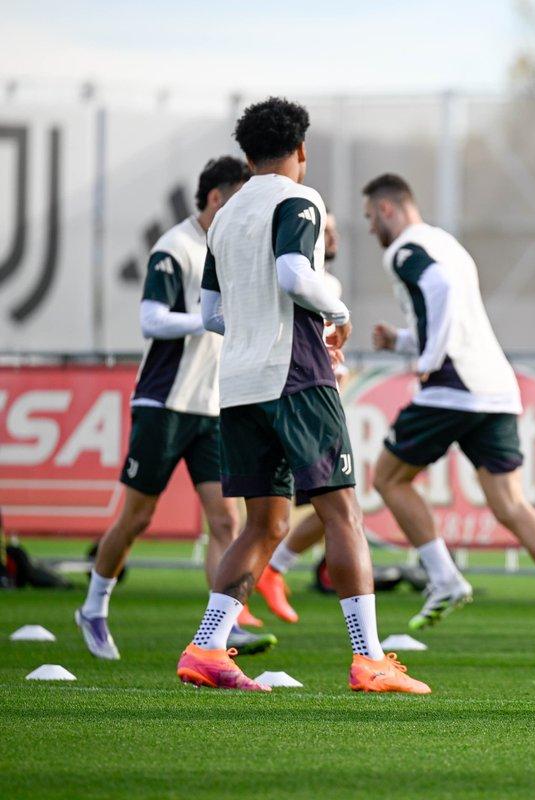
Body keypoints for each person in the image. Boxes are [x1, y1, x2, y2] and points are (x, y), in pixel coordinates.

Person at [178, 97, 429, 693]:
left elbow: (210, 314)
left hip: (238, 385)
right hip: (295, 377)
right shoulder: (299, 199)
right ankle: (370, 659)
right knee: (343, 513)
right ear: (301, 150)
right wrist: (337, 311)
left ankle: (207, 647)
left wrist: (256, 326)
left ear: (247, 156)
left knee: (264, 524)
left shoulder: (225, 217)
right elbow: (294, 274)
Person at [361, 172, 535, 667]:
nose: (371, 227)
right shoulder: (449, 244)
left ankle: (444, 578)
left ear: (387, 209)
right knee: (510, 503)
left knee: (389, 478)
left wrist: (427, 359)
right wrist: (403, 341)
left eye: (370, 216)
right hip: (495, 387)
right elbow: (453, 314)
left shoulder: (404, 249)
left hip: (453, 385)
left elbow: (439, 291)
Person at [75, 157, 273, 659]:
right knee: (137, 517)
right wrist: (208, 319)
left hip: (211, 408)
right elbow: (151, 319)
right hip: (163, 403)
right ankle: (94, 607)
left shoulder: (229, 247)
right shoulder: (175, 247)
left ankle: (222, 629)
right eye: (238, 199)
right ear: (215, 198)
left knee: (226, 521)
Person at [255, 211, 349, 624]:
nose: (332, 237)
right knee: (334, 509)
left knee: (320, 510)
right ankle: (367, 650)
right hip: (294, 399)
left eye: (333, 230)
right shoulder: (292, 278)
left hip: (313, 397)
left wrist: (337, 367)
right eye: (324, 229)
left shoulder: (330, 286)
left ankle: (255, 588)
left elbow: (326, 348)